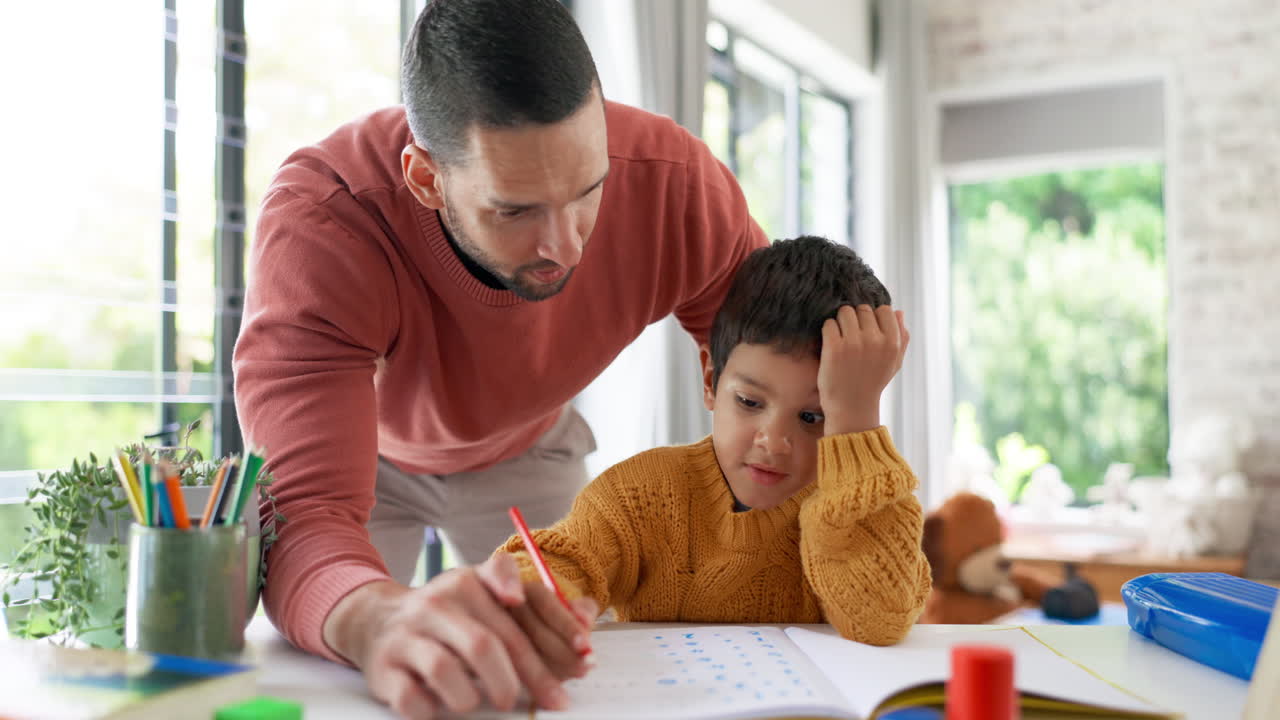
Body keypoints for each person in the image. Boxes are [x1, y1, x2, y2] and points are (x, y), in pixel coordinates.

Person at [231, 0, 766, 716]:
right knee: (349, 677)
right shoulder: (325, 222)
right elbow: (306, 510)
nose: (567, 246)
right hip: (370, 464)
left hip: (532, 445)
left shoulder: (674, 184)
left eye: (588, 191)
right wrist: (378, 618)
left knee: (576, 666)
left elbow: (774, 369)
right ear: (425, 179)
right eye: (514, 211)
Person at [496, 236, 932, 645]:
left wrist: (856, 422)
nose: (775, 442)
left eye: (812, 417)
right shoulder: (640, 496)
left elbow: (880, 621)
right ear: (710, 378)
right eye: (748, 401)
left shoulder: (863, 505)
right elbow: (567, 560)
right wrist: (533, 593)